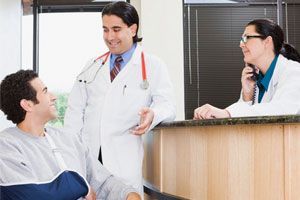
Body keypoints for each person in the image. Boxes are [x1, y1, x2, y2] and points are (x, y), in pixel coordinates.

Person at [64, 1, 176, 195]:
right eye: (105, 30)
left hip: (123, 161)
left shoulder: (153, 65)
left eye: (116, 29)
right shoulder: (92, 65)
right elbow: (74, 113)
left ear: (133, 29)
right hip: (89, 162)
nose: (109, 37)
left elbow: (167, 105)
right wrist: (73, 159)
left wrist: (153, 113)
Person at [0, 70, 141, 200]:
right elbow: (31, 195)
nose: (53, 97)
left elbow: (103, 182)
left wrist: (128, 194)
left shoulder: (69, 139)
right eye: (45, 92)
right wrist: (82, 187)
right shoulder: (7, 145)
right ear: (28, 105)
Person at [194, 18, 300, 119]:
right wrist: (247, 97)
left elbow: (282, 110)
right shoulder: (256, 78)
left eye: (247, 38)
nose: (241, 44)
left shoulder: (293, 72)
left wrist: (227, 113)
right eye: (241, 39)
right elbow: (244, 123)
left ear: (267, 41)